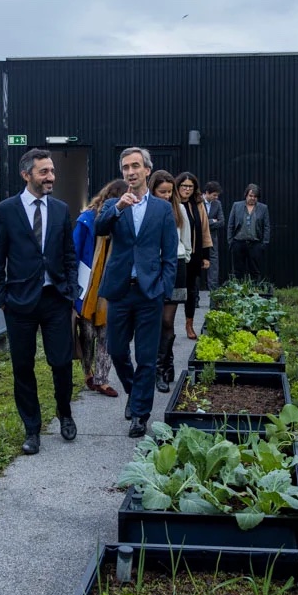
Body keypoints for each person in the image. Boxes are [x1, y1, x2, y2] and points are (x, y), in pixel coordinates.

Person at [0, 148, 79, 455]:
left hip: (55, 299)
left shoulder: (60, 209)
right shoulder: (5, 212)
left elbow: (69, 254)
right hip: (19, 304)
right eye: (44, 172)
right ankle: (32, 429)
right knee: (23, 367)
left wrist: (70, 291)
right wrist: (1, 297)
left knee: (62, 362)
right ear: (27, 174)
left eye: (52, 171)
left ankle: (64, 413)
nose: (51, 177)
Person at [94, 147, 178, 438]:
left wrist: (163, 288)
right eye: (125, 167)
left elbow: (169, 254)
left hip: (148, 293)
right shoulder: (115, 205)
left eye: (135, 166)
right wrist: (118, 208)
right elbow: (99, 229)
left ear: (146, 170)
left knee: (145, 355)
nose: (130, 172)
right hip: (119, 291)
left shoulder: (162, 208)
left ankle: (140, 414)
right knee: (117, 350)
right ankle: (135, 393)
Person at [73, 179, 127, 398]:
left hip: (112, 283)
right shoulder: (87, 219)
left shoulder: (126, 220)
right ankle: (88, 372)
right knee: (86, 332)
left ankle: (103, 379)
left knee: (107, 332)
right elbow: (75, 251)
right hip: (88, 283)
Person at [149, 171, 194, 393]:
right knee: (155, 319)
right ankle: (162, 366)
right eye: (161, 192)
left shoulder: (180, 210)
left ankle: (163, 366)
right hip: (153, 267)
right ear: (152, 190)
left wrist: (183, 259)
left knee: (167, 320)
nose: (166, 196)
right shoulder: (146, 209)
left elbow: (186, 242)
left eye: (169, 192)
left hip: (176, 266)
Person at [175, 172, 213, 341]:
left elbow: (205, 230)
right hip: (176, 255)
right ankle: (168, 325)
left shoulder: (198, 204)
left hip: (195, 254)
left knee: (192, 291)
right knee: (174, 291)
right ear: (178, 186)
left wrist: (206, 256)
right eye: (184, 186)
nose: (187, 189)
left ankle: (189, 324)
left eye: (190, 186)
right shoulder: (172, 203)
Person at [228, 183, 270, 280]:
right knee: (238, 271)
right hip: (238, 242)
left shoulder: (263, 208)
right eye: (250, 196)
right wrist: (231, 242)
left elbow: (267, 227)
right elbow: (230, 225)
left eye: (255, 196)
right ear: (246, 195)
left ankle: (255, 292)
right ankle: (238, 292)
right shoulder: (236, 206)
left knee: (255, 270)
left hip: (255, 244)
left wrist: (264, 244)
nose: (252, 198)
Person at [202, 181, 225, 292]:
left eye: (217, 195)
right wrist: (212, 221)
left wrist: (206, 221)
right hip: (199, 240)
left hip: (212, 240)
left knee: (214, 267)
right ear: (207, 193)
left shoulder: (217, 204)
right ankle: (195, 299)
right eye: (214, 195)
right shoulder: (198, 202)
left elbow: (221, 222)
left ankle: (213, 296)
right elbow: (199, 222)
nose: (216, 197)